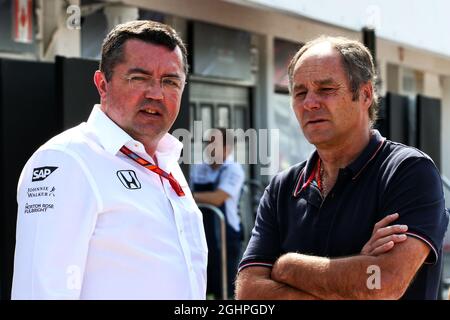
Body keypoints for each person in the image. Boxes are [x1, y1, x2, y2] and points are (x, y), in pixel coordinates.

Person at [236, 36, 449, 300]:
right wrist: (356, 271)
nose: (309, 103)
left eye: (326, 89)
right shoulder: (282, 189)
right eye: (300, 92)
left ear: (365, 94)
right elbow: (249, 294)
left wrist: (286, 266)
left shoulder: (408, 171)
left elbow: (382, 283)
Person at [12, 20, 207, 299]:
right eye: (139, 78)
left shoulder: (166, 162)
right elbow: (39, 290)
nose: (156, 93)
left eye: (170, 81)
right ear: (103, 85)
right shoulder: (66, 160)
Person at [190, 128, 245, 299]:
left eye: (215, 143)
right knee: (202, 286)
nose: (210, 147)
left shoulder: (234, 169)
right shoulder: (198, 168)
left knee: (226, 289)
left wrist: (190, 196)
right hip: (201, 237)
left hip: (226, 237)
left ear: (227, 148)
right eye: (208, 143)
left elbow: (218, 198)